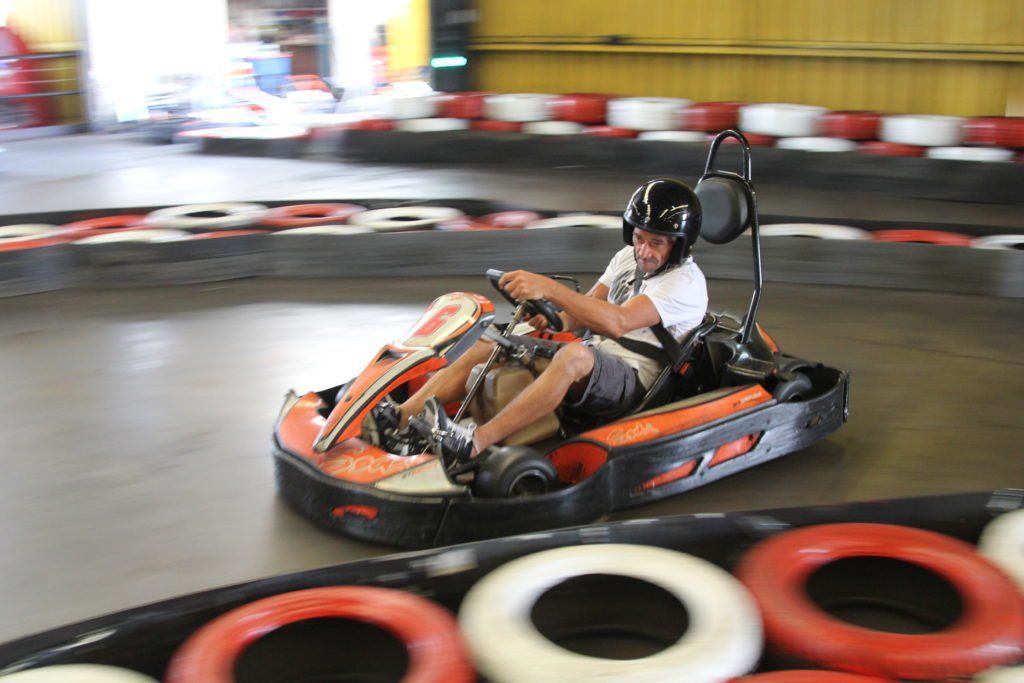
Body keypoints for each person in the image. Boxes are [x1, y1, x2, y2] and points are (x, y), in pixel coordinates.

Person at [380, 178, 708, 463]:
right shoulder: (627, 257)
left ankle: (474, 442)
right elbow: (584, 312)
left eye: (656, 243)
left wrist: (550, 289)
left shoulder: (685, 283)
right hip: (595, 355)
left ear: (679, 245)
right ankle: (400, 419)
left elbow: (617, 322)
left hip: (636, 379)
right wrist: (555, 320)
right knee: (491, 341)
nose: (644, 251)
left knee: (573, 356)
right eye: (639, 238)